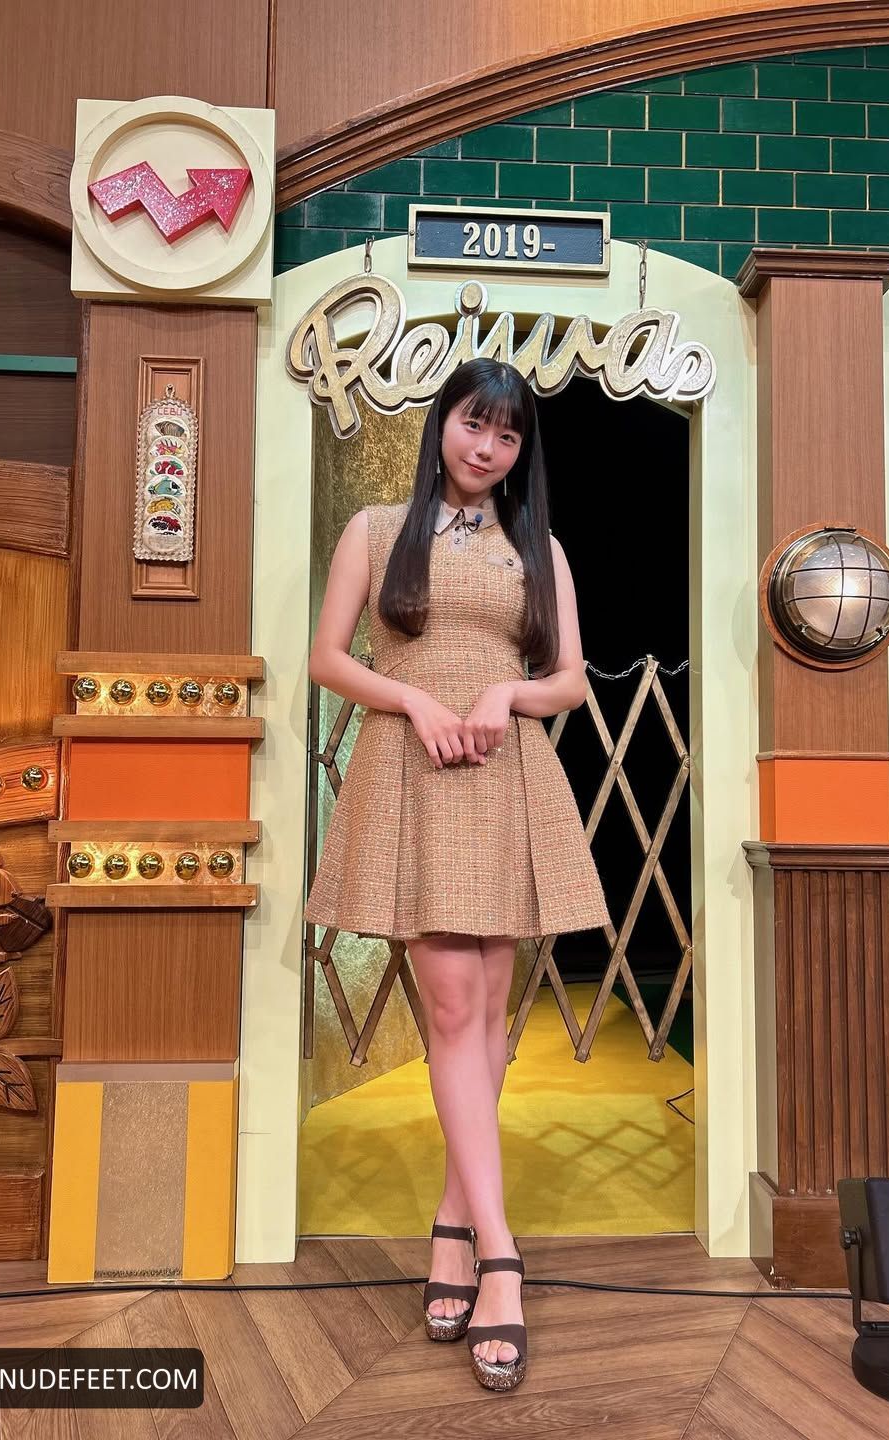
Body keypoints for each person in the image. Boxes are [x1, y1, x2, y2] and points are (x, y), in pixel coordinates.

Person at [304, 356, 611, 1393]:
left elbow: (568, 680)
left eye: (508, 435)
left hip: (503, 777)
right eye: (475, 424)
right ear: (442, 423)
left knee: (484, 1015)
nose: (488, 447)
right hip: (413, 772)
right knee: (449, 1008)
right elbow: (327, 658)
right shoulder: (376, 530)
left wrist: (504, 697)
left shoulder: (540, 547)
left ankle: (449, 1223)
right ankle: (499, 1257)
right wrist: (416, 701)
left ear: (522, 452)